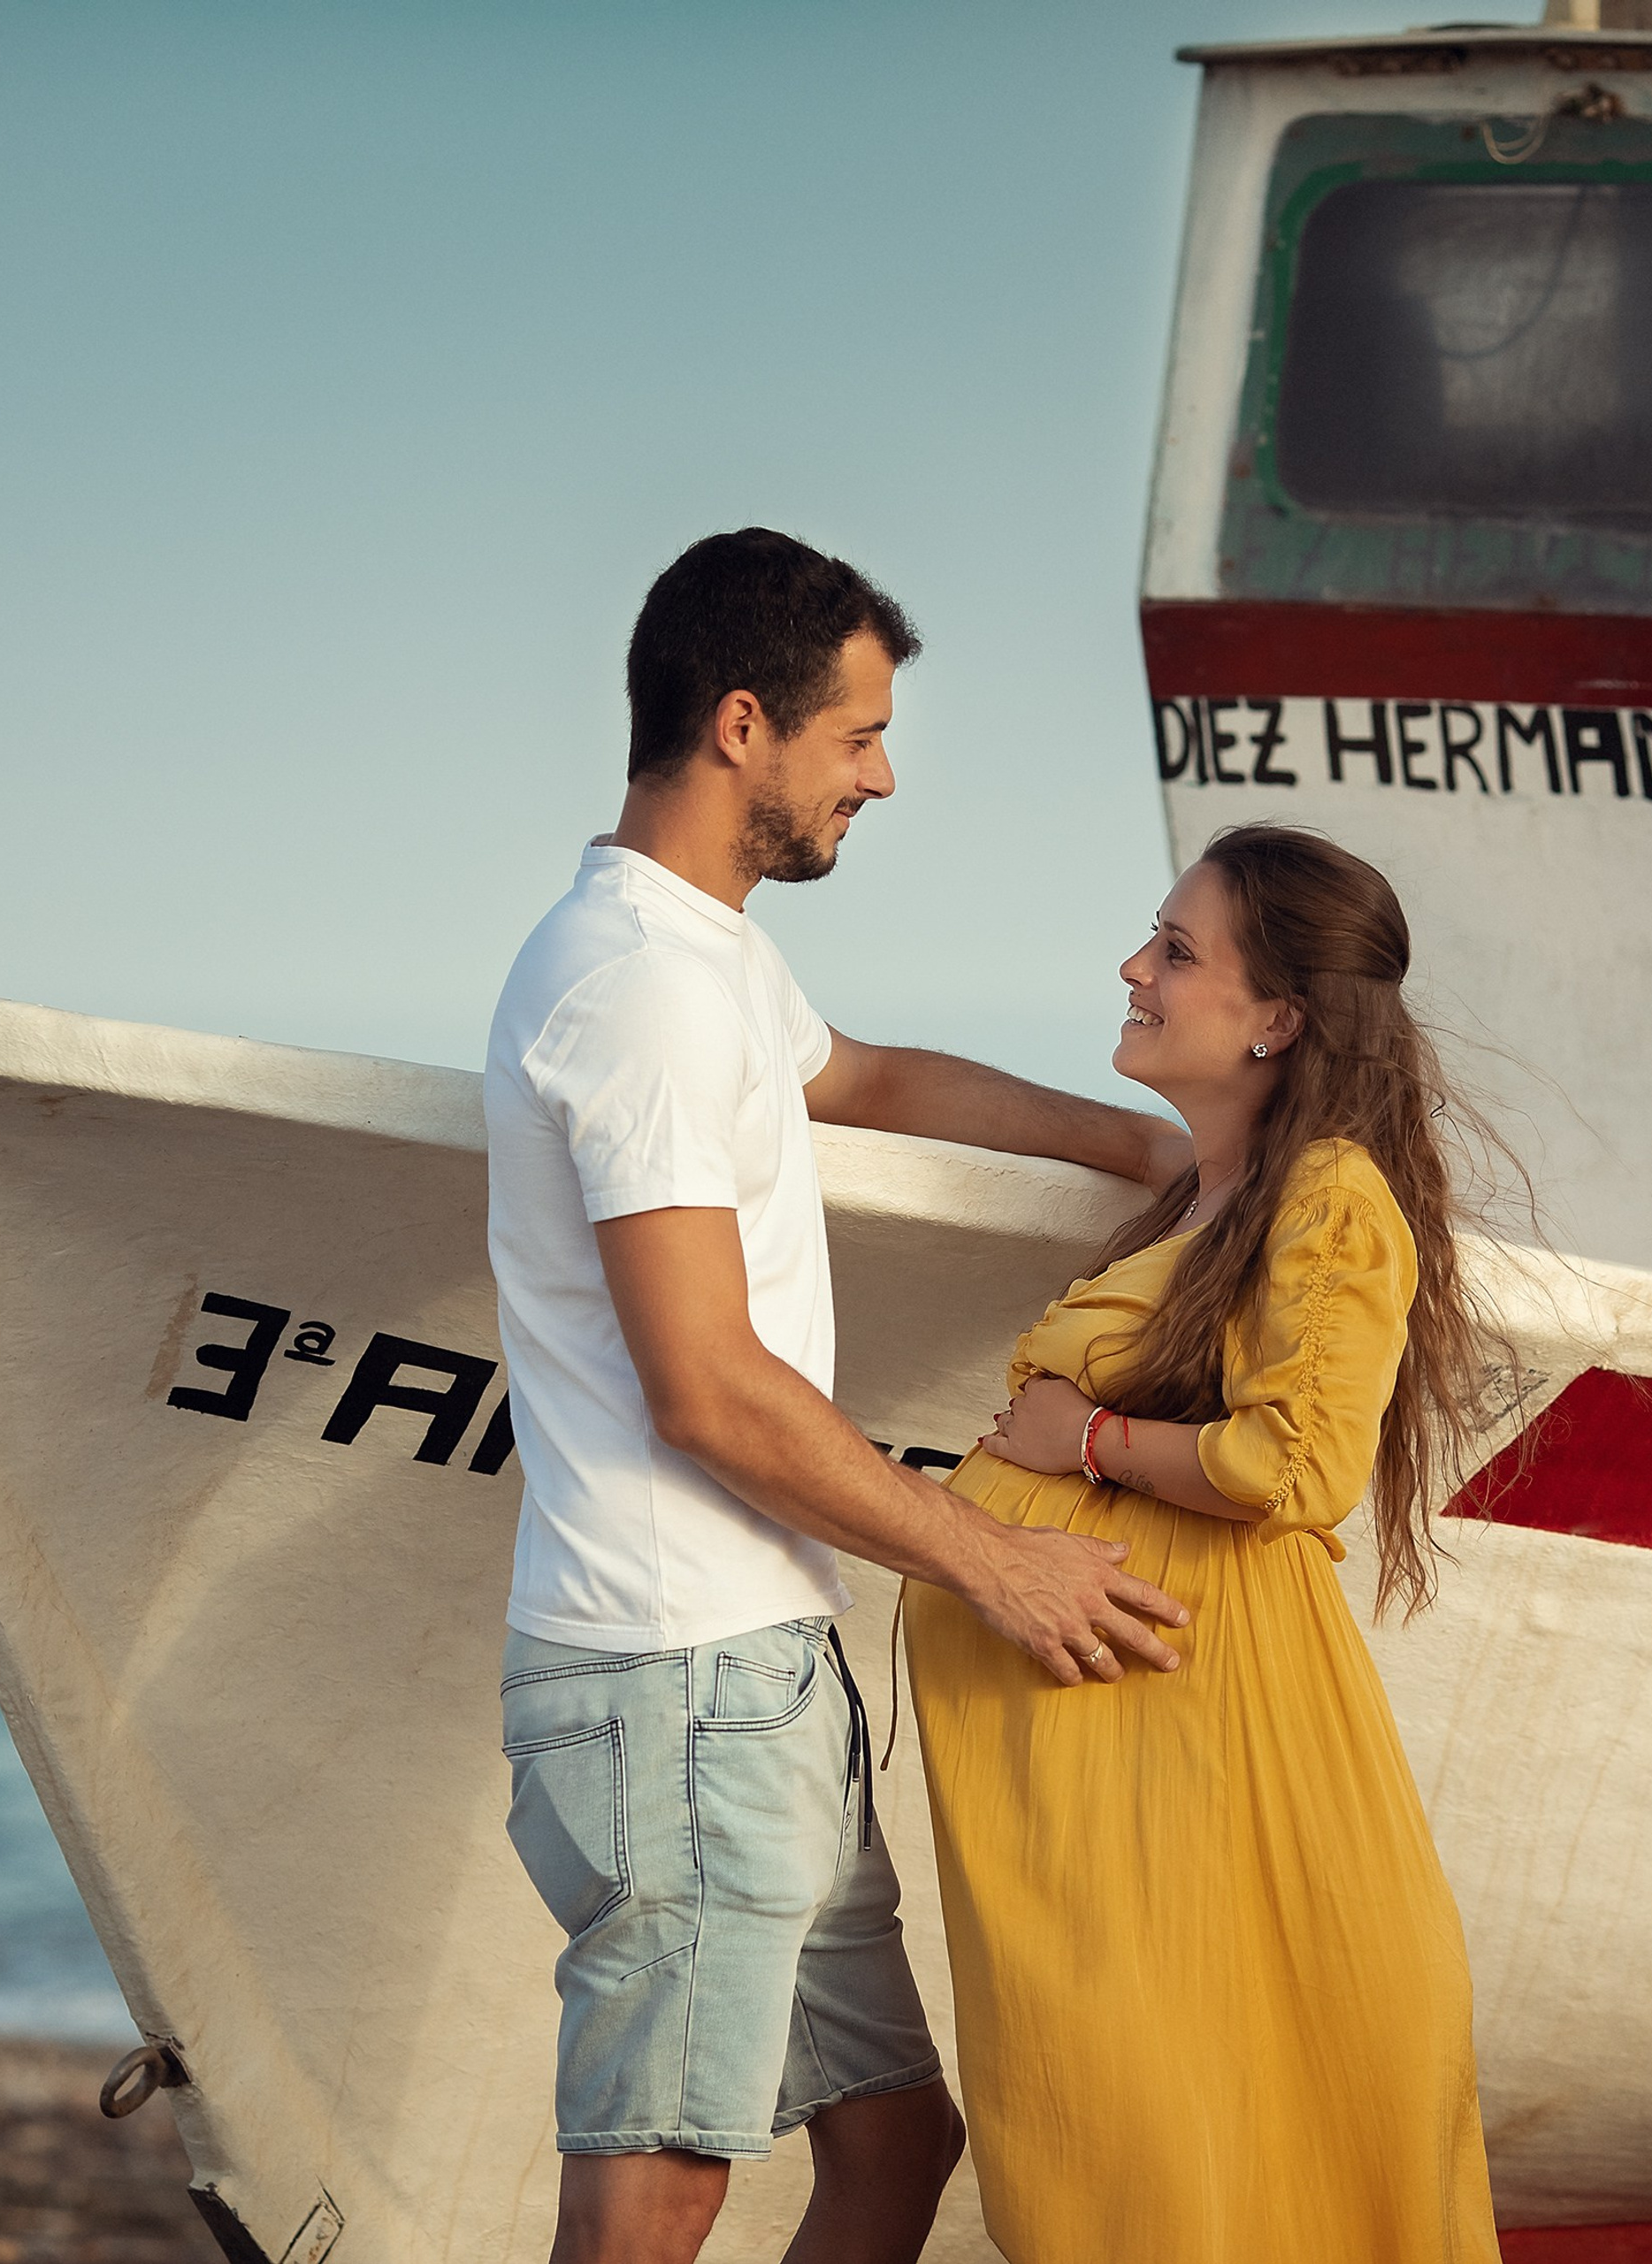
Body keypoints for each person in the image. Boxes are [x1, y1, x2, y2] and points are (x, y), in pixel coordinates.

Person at [484, 527, 1195, 2264]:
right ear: (742, 723)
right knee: (660, 2191)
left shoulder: (707, 955)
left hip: (754, 1676)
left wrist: (1138, 1148)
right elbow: (707, 1391)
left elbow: (860, 1075)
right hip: (675, 1685)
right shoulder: (637, 990)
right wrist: (993, 1560)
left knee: (892, 2145)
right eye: (857, 735)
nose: (880, 776)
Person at [905, 823, 1505, 2263]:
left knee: (1180, 2157)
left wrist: (1086, 1443)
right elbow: (1050, 1121)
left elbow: (1297, 1465)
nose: (1134, 966)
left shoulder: (1330, 1195)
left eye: (1176, 951)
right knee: (1139, 2156)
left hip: (1196, 1763)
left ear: (1277, 1018)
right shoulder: (1208, 1193)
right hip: (1124, 1771)